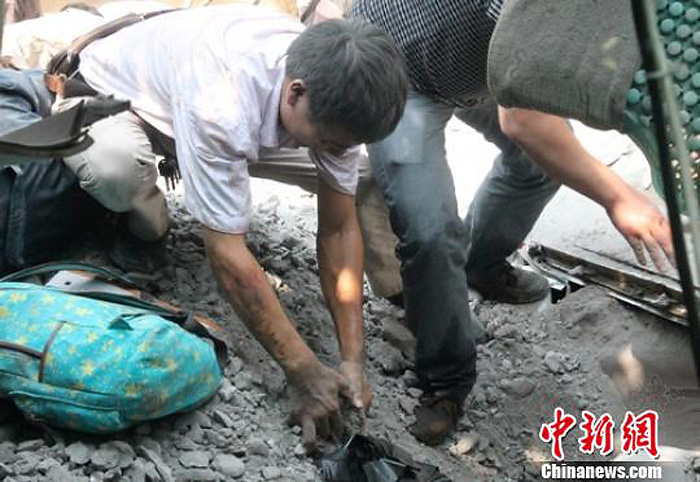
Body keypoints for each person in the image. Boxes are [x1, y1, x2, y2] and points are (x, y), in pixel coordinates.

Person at [42, 5, 408, 451]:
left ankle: (399, 294)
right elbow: (227, 255)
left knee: (362, 178)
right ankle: (144, 229)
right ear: (295, 93)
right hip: (122, 101)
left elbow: (337, 229)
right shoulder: (225, 103)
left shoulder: (333, 93)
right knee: (118, 172)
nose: (335, 150)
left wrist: (353, 358)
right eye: (330, 142)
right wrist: (302, 370)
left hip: (220, 109)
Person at [351, 0, 675, 446]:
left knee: (539, 167)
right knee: (430, 234)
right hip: (394, 70)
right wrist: (619, 197)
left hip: (475, 60)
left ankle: (480, 263)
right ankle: (446, 380)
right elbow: (524, 120)